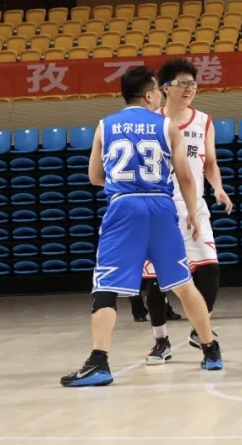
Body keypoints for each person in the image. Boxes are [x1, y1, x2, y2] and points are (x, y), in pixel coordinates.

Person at [60, 67, 223, 387]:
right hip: (161, 206)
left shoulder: (105, 125)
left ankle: (99, 361)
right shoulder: (167, 126)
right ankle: (210, 349)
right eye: (158, 91)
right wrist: (192, 213)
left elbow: (94, 176)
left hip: (124, 207)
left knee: (105, 285)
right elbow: (186, 177)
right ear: (149, 95)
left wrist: (125, 181)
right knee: (182, 283)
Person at [141, 58, 234, 365]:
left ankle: (199, 327)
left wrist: (218, 188)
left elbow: (210, 163)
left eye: (193, 84)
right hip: (159, 207)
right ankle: (161, 341)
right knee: (156, 279)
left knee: (210, 268)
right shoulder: (150, 122)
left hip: (195, 205)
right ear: (165, 88)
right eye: (183, 84)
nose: (190, 89)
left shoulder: (203, 121)